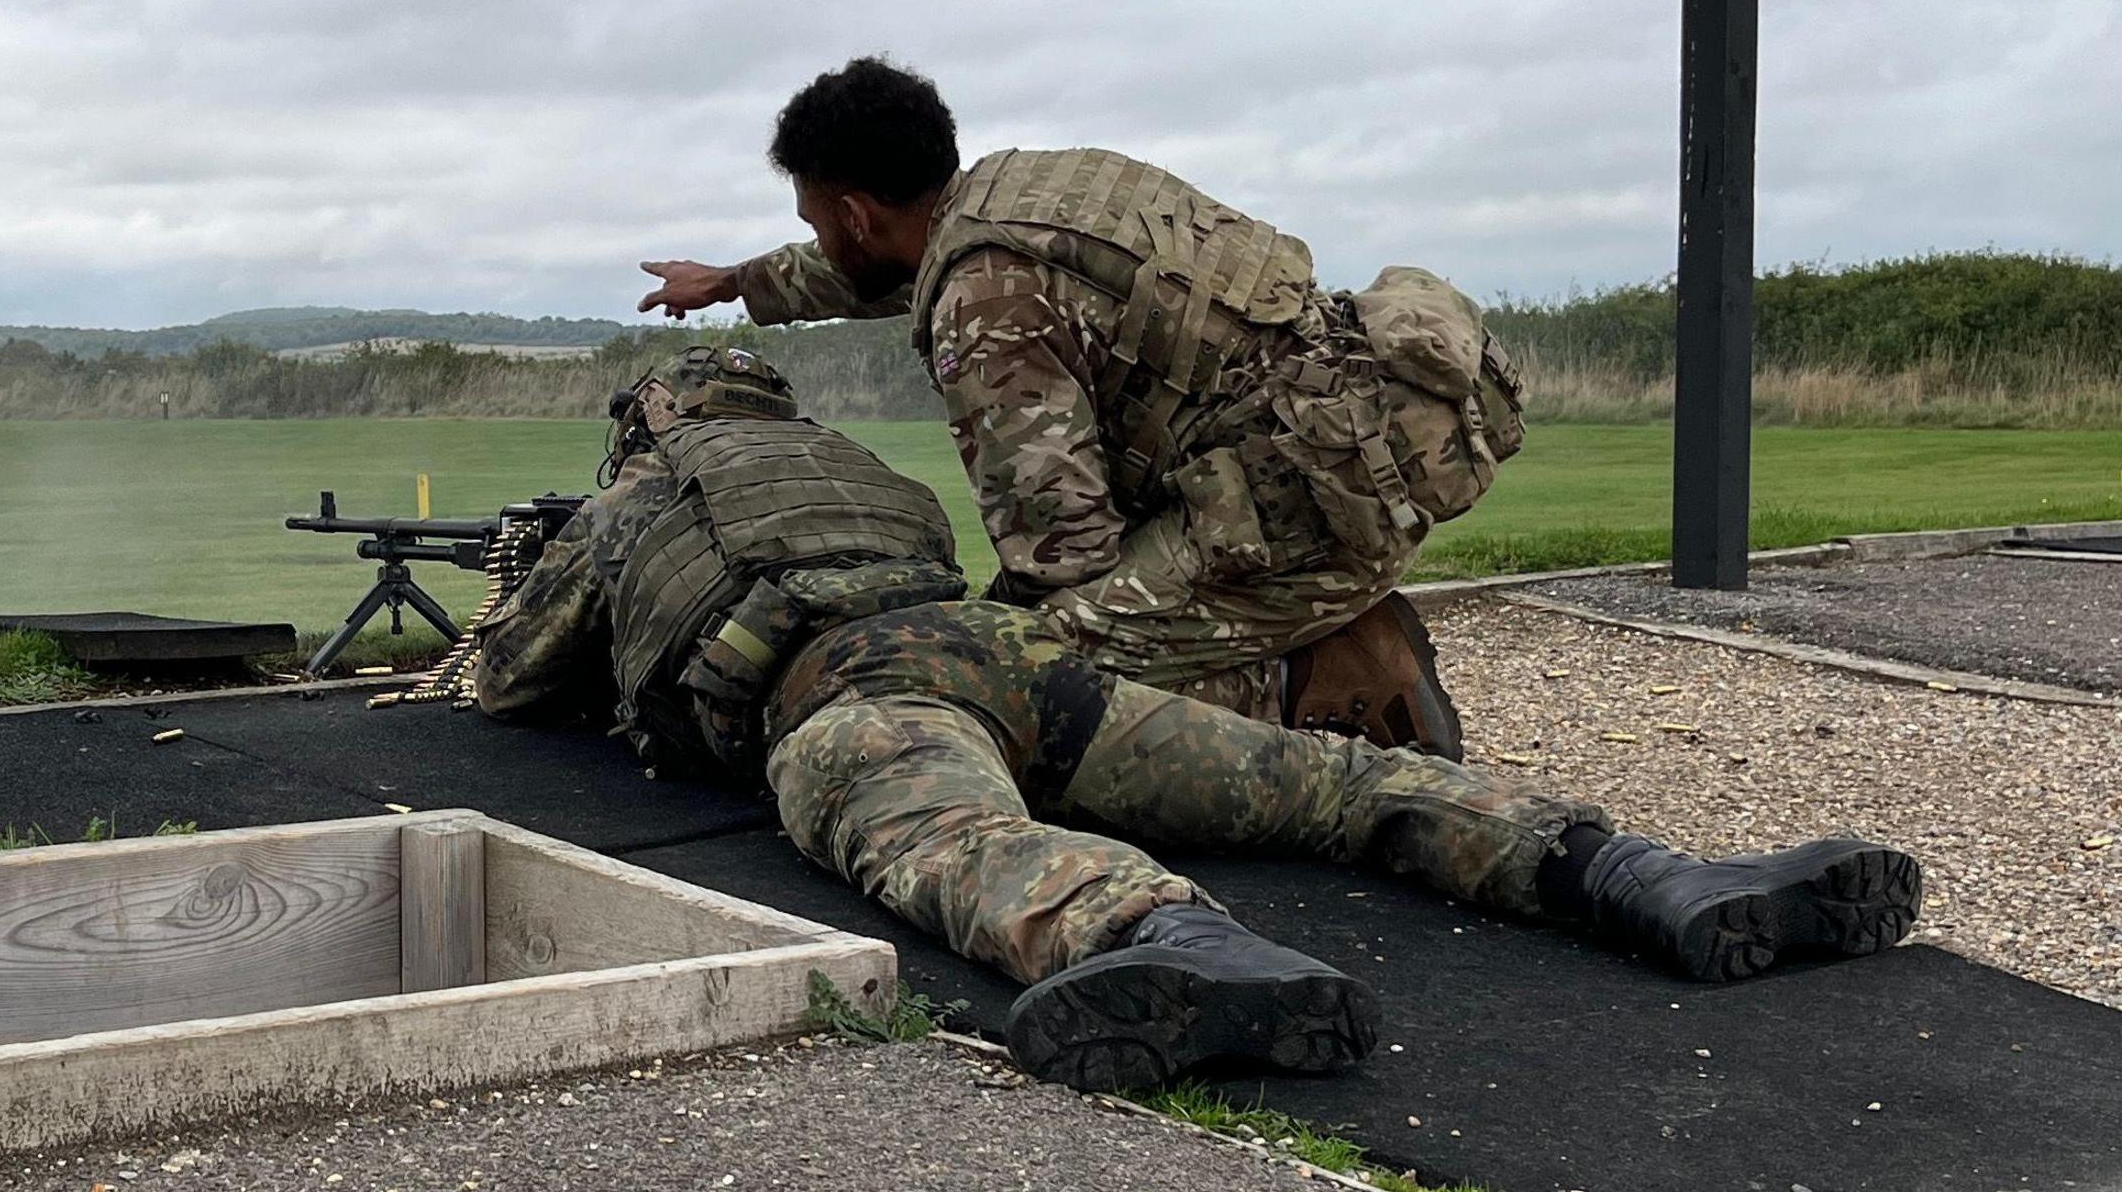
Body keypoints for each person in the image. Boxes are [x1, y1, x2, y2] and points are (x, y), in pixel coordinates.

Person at [470, 347, 1924, 1093]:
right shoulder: (859, 469)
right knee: (1324, 781)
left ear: (647, 425)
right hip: (1017, 659)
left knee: (954, 840)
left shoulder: (636, 500)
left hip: (855, 692)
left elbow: (513, 677)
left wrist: (531, 598)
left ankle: (1175, 945)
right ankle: (1645, 874)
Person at [633, 57, 1524, 759]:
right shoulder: (1020, 194)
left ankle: (1322, 675)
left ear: (857, 214)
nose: (822, 236)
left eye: (819, 218)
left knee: (1028, 674)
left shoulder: (986, 308)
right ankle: (1302, 627)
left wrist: (975, 638)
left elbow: (1062, 552)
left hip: (1309, 519)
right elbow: (875, 267)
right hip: (1349, 456)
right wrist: (736, 283)